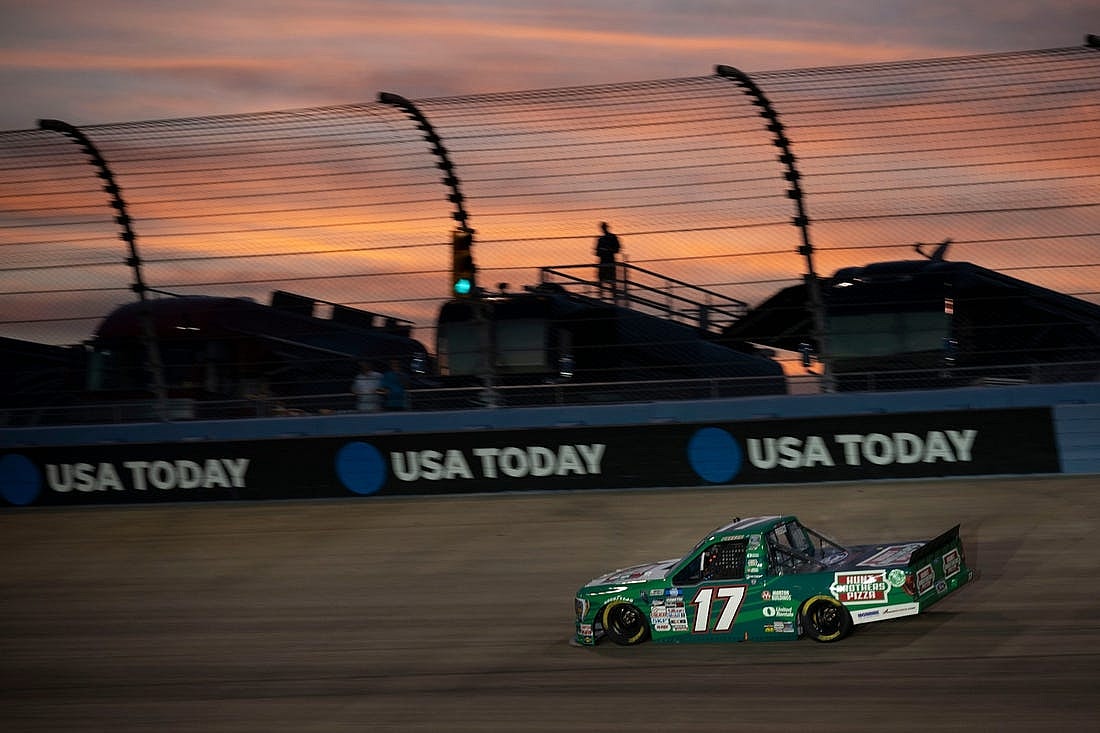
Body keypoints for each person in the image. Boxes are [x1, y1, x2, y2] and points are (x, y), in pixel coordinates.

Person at [594, 221, 621, 298]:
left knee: (610, 281)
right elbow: (597, 252)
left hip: (608, 262)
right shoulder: (601, 239)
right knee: (603, 281)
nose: (603, 229)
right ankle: (602, 296)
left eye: (603, 228)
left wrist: (607, 250)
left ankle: (612, 296)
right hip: (604, 262)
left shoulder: (611, 238)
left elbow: (617, 249)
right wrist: (604, 251)